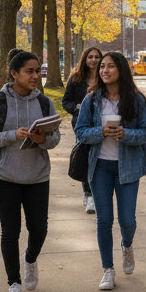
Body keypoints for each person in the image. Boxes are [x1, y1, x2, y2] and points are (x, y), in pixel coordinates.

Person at [0, 50, 60, 292]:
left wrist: (42, 139)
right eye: (29, 71)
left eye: (38, 71)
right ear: (14, 74)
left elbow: (55, 139)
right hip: (5, 176)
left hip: (37, 177)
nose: (35, 76)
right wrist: (12, 135)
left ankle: (31, 259)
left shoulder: (44, 103)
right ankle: (14, 283)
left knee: (40, 229)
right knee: (10, 231)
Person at [74, 52, 146, 291]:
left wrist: (125, 135)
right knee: (104, 220)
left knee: (127, 220)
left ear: (121, 70)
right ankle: (108, 269)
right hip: (100, 166)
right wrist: (101, 132)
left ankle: (127, 245)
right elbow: (80, 132)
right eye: (102, 67)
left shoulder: (137, 100)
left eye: (110, 66)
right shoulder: (92, 100)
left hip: (128, 167)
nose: (104, 70)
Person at [62, 46, 102, 214]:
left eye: (97, 57)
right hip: (81, 124)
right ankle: (89, 195)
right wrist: (77, 107)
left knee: (99, 159)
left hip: (101, 124)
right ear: (85, 59)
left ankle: (94, 193)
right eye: (90, 57)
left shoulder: (105, 77)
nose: (93, 60)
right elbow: (66, 101)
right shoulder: (76, 78)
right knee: (86, 158)